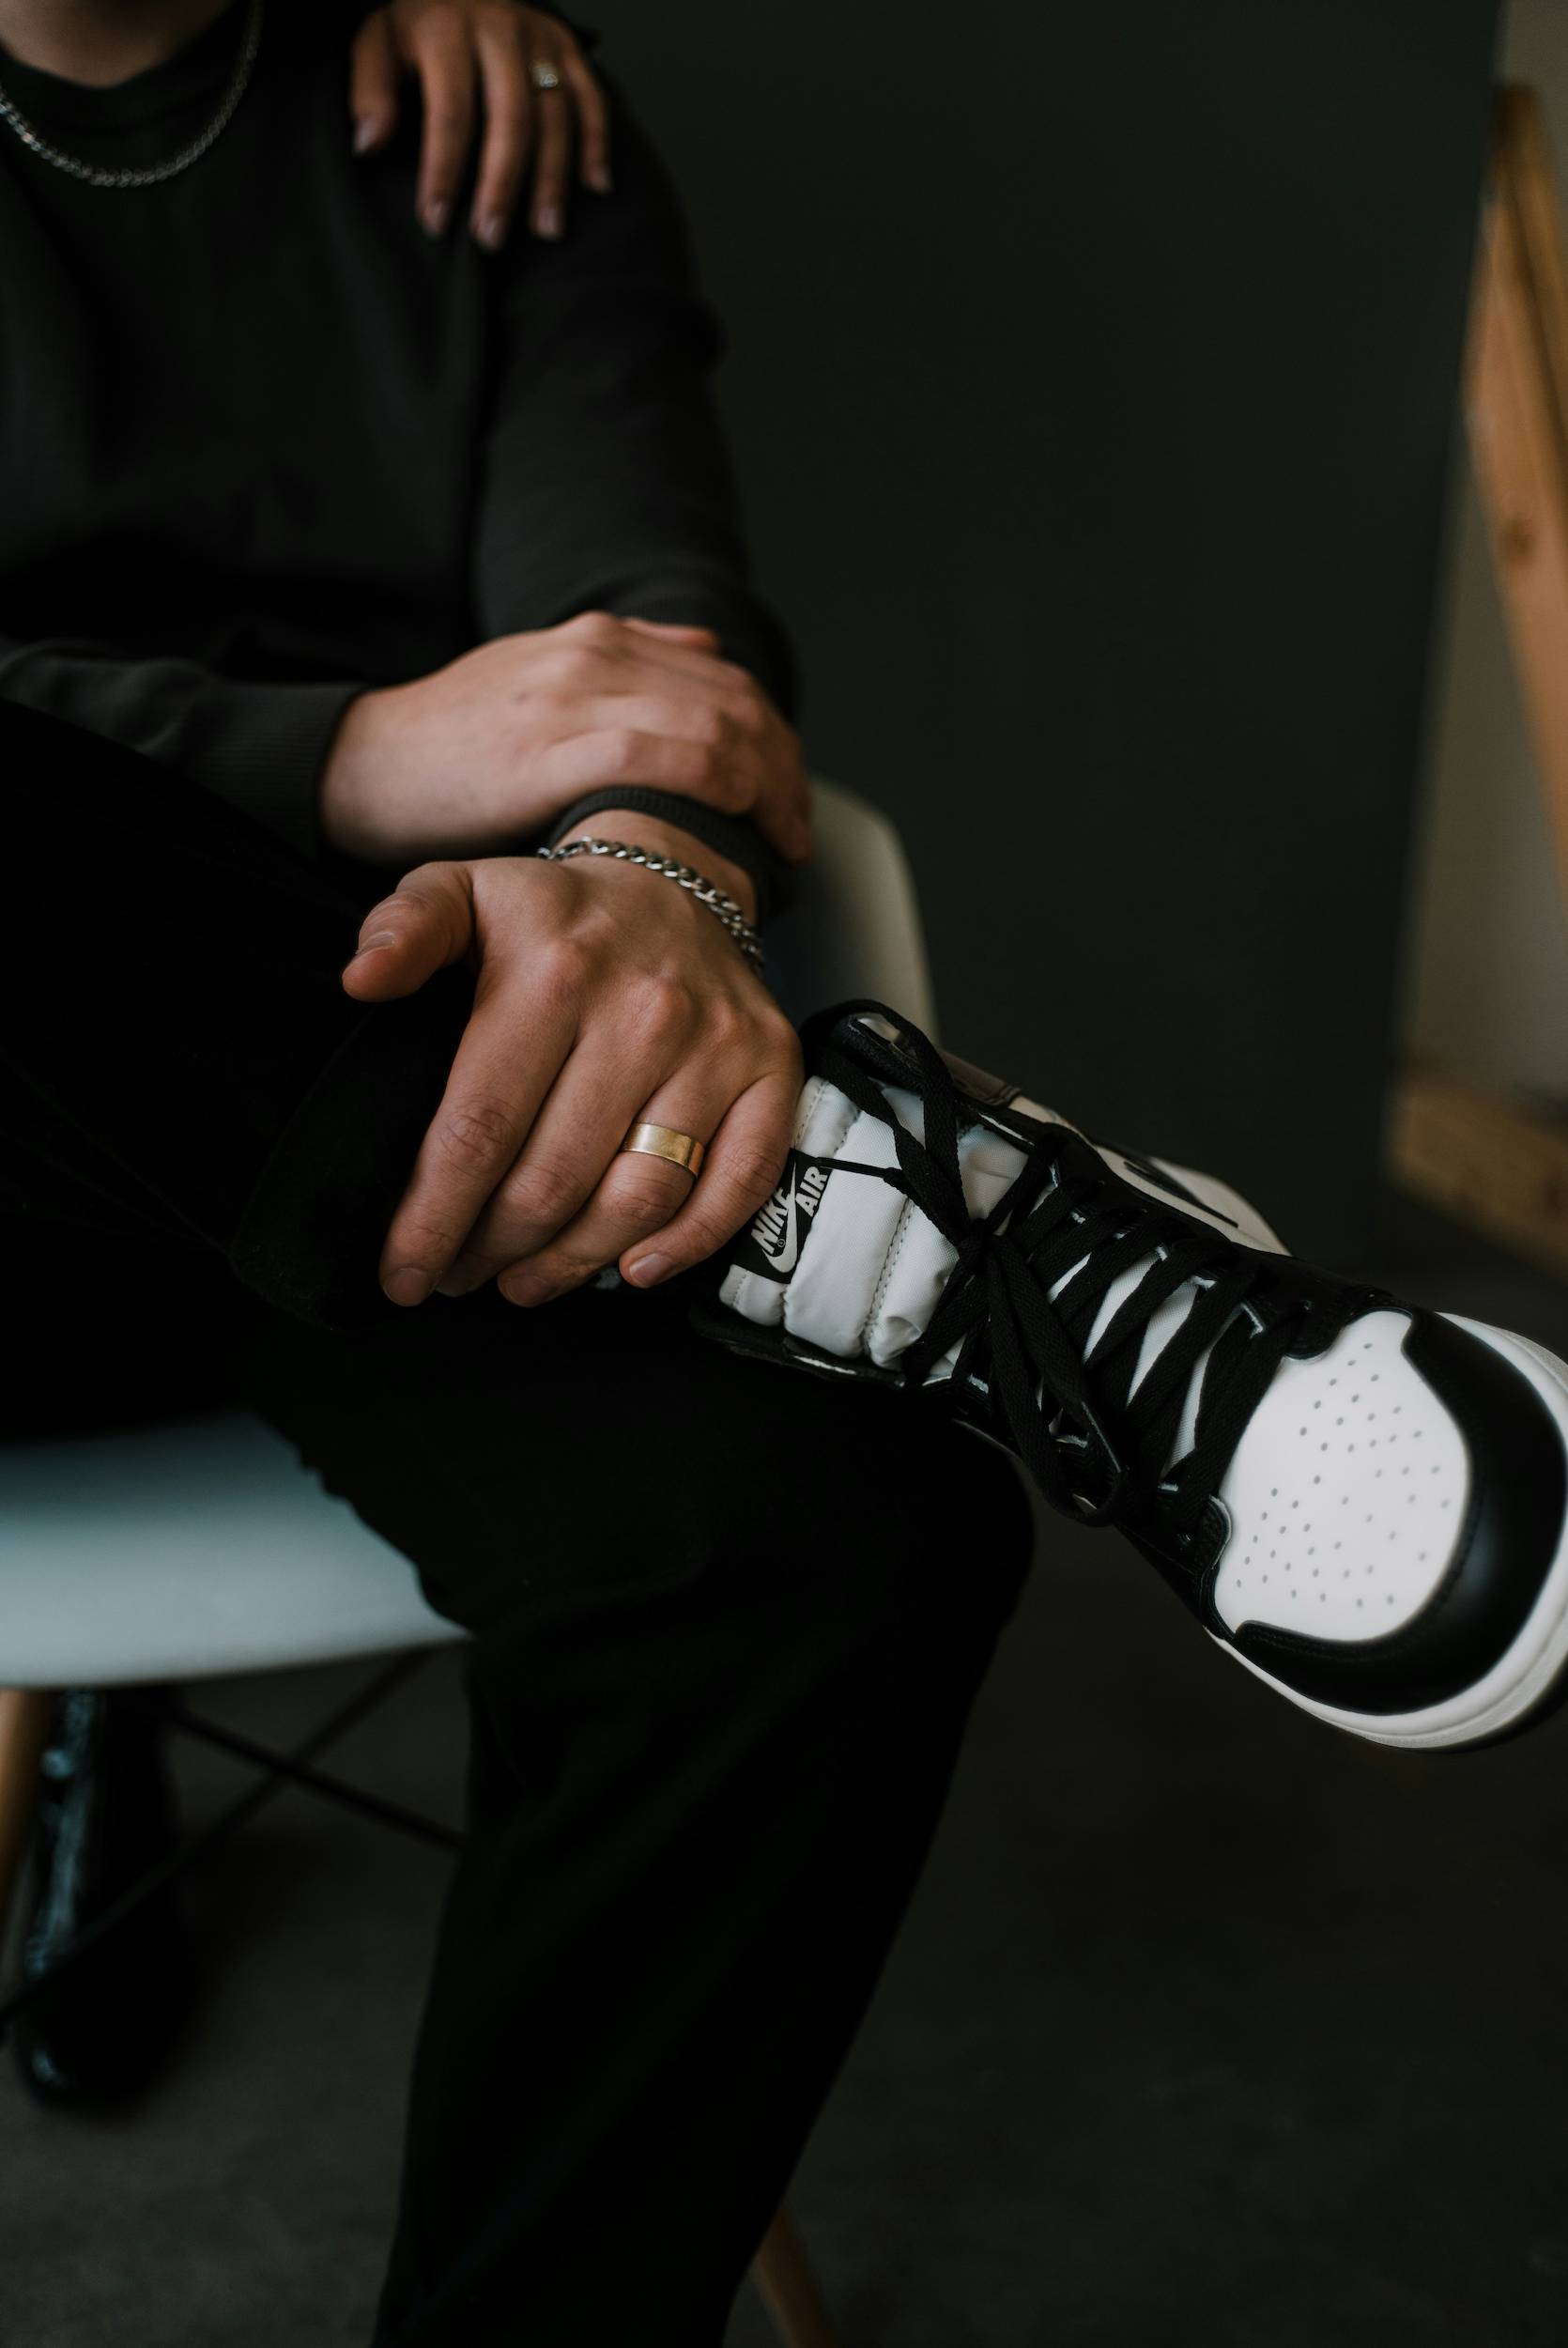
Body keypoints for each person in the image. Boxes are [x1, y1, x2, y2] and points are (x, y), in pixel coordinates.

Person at [0, 4, 1035, 2342]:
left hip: (423, 1149)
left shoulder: (467, 97)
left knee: (841, 1530)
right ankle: (908, 1220)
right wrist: (344, 751)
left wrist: (650, 880)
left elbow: (650, 651)